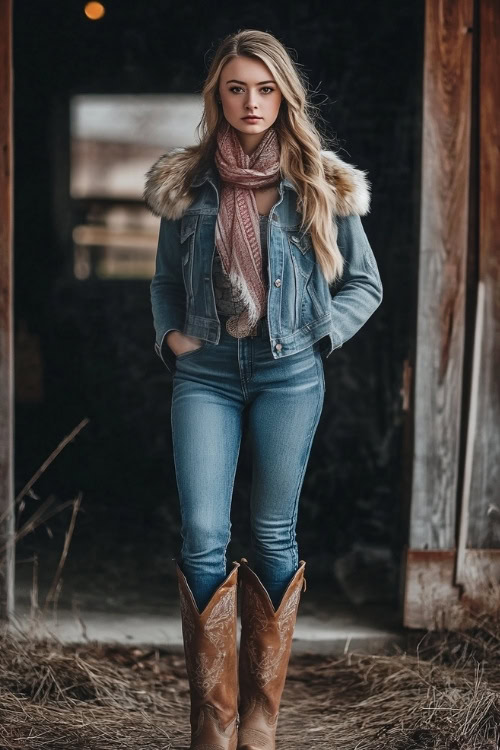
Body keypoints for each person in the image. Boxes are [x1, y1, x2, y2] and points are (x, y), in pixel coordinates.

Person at [144, 28, 383, 750]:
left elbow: (366, 285)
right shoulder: (185, 182)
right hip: (207, 375)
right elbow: (162, 281)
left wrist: (319, 337)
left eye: (266, 87)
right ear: (218, 95)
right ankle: (212, 722)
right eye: (236, 87)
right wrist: (173, 338)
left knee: (274, 536)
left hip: (289, 375)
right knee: (205, 538)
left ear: (285, 94)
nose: (252, 102)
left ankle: (260, 718)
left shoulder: (321, 180)